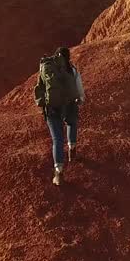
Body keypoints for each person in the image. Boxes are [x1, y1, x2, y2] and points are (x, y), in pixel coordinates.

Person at [34, 46, 84, 186]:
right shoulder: (71, 69)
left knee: (57, 139)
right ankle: (72, 148)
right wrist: (80, 98)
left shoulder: (47, 67)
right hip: (68, 104)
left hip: (52, 108)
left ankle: (59, 173)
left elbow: (40, 88)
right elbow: (78, 87)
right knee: (71, 123)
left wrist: (42, 102)